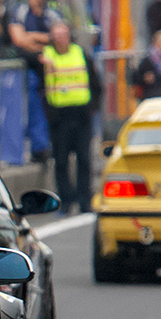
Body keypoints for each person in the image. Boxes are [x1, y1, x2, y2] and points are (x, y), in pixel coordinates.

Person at [39, 22, 101, 214]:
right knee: (62, 161)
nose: (60, 39)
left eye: (63, 34)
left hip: (81, 114)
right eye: (56, 35)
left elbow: (96, 83)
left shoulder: (80, 54)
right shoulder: (46, 57)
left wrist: (92, 108)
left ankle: (84, 200)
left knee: (84, 159)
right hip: (59, 116)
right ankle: (66, 201)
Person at [8, 0, 61, 162]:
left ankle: (47, 146)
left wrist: (32, 36)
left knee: (49, 108)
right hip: (28, 67)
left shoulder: (52, 13)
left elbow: (59, 38)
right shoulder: (20, 11)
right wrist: (44, 41)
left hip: (50, 69)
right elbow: (19, 40)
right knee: (32, 107)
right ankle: (37, 148)